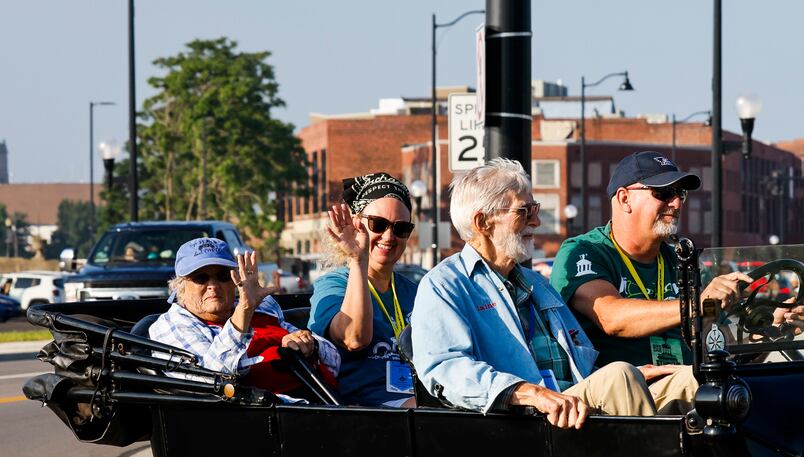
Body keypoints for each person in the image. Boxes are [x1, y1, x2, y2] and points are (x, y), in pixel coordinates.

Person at [410, 158, 672, 428]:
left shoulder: (537, 284)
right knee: (622, 376)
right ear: (483, 222)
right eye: (524, 211)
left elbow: (579, 362)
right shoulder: (445, 285)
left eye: (535, 209)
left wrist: (621, 377)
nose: (536, 222)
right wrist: (527, 392)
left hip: (571, 406)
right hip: (524, 421)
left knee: (685, 381)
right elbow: (443, 369)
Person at [552, 151, 767, 408]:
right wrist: (695, 305)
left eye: (681, 194)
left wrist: (767, 333)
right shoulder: (585, 251)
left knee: (747, 385)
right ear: (624, 199)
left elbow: (724, 350)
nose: (676, 203)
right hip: (618, 397)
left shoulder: (681, 260)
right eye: (663, 193)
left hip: (679, 384)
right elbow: (611, 317)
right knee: (700, 383)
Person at [147, 237, 339, 398]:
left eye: (222, 276)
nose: (213, 285)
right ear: (180, 287)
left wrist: (309, 344)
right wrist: (244, 311)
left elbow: (334, 359)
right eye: (201, 278)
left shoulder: (263, 307)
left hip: (320, 400)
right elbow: (211, 382)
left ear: (233, 281)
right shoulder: (172, 324)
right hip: (252, 422)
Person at [310, 172, 420, 407]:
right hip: (366, 412)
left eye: (401, 228)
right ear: (357, 225)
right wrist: (357, 259)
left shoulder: (417, 292)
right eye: (378, 224)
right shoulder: (333, 285)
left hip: (420, 405)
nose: (389, 236)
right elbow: (354, 338)